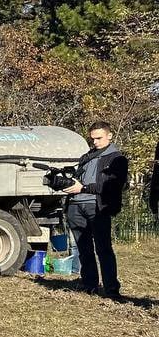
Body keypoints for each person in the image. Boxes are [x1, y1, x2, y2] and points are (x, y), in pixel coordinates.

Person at [63, 121, 128, 299]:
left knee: (103, 249)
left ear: (109, 135)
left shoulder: (117, 159)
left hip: (97, 206)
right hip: (75, 205)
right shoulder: (86, 157)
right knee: (83, 249)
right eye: (92, 139)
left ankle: (111, 289)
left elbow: (111, 185)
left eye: (99, 138)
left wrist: (83, 189)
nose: (95, 142)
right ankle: (89, 284)